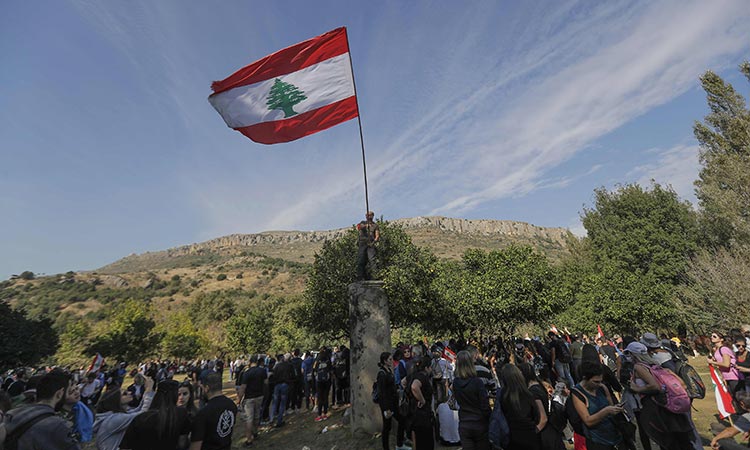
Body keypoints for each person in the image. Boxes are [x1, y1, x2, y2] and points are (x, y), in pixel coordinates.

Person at [627, 343, 693, 450]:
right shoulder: (656, 364)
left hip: (655, 407)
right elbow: (682, 384)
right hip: (669, 405)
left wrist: (636, 389)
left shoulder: (639, 367)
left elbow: (654, 386)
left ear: (633, 354)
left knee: (666, 440)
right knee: (680, 440)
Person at [3, 368, 81, 450]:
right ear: (59, 394)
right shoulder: (59, 425)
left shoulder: (13, 413)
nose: (69, 396)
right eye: (69, 392)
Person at [119, 379, 191, 450]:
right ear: (175, 395)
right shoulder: (180, 414)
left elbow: (125, 446)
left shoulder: (141, 418)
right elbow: (182, 443)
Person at [92, 375, 155, 450]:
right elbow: (143, 415)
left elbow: (138, 409)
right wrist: (148, 390)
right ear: (115, 401)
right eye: (125, 393)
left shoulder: (114, 415)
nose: (130, 392)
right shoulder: (114, 419)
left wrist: (147, 391)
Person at [571, 362, 623, 450]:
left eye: (600, 381)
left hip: (614, 436)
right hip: (597, 441)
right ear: (585, 378)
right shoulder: (577, 394)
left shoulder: (602, 387)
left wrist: (616, 408)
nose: (598, 384)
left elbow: (610, 405)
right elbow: (588, 421)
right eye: (595, 381)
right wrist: (606, 411)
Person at [452, 350, 490, 450]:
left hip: (464, 422)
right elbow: (484, 404)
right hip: (479, 422)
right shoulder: (477, 382)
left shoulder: (456, 382)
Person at [499, 363, 543, 450]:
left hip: (513, 436)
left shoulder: (503, 395)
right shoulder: (528, 394)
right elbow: (537, 416)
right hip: (531, 435)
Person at [189, 372, 237, 450]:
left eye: (202, 388)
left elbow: (195, 446)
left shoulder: (203, 413)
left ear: (207, 388)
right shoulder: (232, 405)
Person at [376, 352, 409, 450]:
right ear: (385, 361)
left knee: (402, 420)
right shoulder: (381, 374)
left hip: (393, 403)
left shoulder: (389, 370)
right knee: (387, 427)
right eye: (390, 359)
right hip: (387, 405)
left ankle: (399, 444)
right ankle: (386, 447)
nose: (391, 361)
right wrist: (386, 409)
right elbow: (382, 393)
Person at [237, 355, 267, 446]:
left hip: (249, 397)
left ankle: (249, 439)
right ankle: (255, 432)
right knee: (257, 415)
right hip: (260, 396)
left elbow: (243, 387)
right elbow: (266, 383)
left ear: (250, 362)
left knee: (249, 418)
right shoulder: (262, 371)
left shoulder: (247, 373)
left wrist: (239, 399)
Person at [407, 355, 434, 450]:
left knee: (416, 439)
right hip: (422, 414)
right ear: (426, 367)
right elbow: (414, 387)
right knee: (424, 441)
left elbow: (403, 382)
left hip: (414, 412)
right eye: (430, 367)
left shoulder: (412, 375)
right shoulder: (422, 377)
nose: (431, 369)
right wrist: (422, 400)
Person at [708, 332, 742, 397]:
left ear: (721, 339)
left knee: (739, 398)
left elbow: (726, 364)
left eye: (714, 336)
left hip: (734, 377)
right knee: (732, 399)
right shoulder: (717, 350)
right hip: (727, 377)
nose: (711, 337)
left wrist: (712, 362)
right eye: (711, 336)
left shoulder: (724, 349)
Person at [269, 353, 294, 427]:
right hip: (285, 384)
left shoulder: (276, 366)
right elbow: (292, 374)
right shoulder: (288, 365)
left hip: (277, 385)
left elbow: (274, 376)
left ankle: (271, 419)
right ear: (282, 358)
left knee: (275, 403)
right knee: (282, 403)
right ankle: (279, 420)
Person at [356, 210, 380, 280]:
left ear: (373, 216)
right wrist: (366, 226)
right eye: (367, 215)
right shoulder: (362, 222)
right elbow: (359, 227)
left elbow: (377, 236)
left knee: (372, 260)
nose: (369, 216)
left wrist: (374, 241)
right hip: (362, 243)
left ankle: (375, 277)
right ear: (366, 216)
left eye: (370, 215)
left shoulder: (375, 225)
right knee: (361, 260)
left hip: (371, 244)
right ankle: (360, 277)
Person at [314, 347, 333, 421]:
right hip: (327, 381)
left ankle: (319, 414)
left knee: (320, 397)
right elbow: (331, 370)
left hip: (319, 381)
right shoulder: (328, 360)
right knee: (325, 397)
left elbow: (314, 371)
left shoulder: (317, 361)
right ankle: (325, 414)